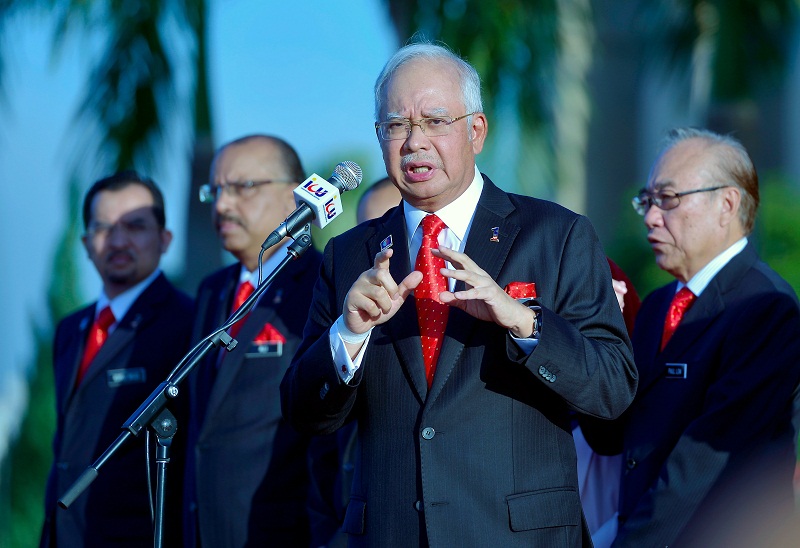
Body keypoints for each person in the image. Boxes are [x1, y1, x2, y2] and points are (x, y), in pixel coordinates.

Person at [280, 41, 637, 546]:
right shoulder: (348, 254)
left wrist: (524, 322)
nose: (414, 142)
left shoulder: (555, 235)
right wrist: (347, 335)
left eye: (435, 121)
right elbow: (304, 413)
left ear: (476, 131)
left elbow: (614, 389)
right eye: (396, 126)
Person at [587, 127, 800, 547]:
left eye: (667, 199)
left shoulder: (765, 308)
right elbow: (614, 438)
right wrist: (590, 340)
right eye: (646, 201)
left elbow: (707, 459)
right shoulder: (657, 306)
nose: (650, 216)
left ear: (727, 203)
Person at [183, 134, 322, 547]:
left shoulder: (322, 282)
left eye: (243, 188)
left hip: (281, 531)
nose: (222, 205)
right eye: (216, 190)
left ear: (293, 198)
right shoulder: (212, 290)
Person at [41, 171, 193, 547]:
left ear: (164, 238)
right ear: (86, 242)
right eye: (104, 228)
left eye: (135, 226)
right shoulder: (70, 329)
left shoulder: (187, 324)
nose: (118, 240)